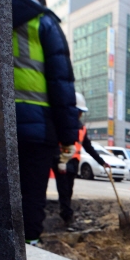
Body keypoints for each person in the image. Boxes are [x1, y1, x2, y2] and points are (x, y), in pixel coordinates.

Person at [12, 0, 79, 244]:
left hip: (3, 126)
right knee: (31, 195)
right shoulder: (44, 22)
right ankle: (28, 252)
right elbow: (61, 84)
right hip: (37, 128)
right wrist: (67, 137)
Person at [53, 92, 110, 225]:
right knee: (64, 190)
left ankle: (65, 214)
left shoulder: (81, 128)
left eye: (81, 112)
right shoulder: (60, 124)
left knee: (69, 190)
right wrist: (58, 160)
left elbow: (89, 147)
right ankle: (67, 217)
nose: (80, 115)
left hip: (73, 163)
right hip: (61, 161)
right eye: (78, 111)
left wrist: (102, 162)